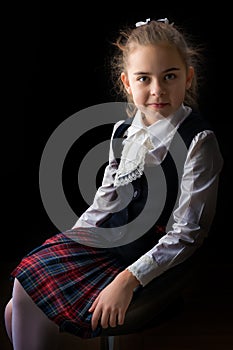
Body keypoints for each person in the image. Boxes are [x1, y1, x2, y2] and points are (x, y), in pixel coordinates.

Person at [4, 17, 223, 349]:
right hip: (112, 242)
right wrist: (75, 244)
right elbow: (107, 198)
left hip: (150, 260)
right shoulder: (123, 132)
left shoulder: (198, 140)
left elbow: (188, 233)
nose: (157, 90)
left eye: (170, 76)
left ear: (187, 77)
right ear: (127, 83)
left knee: (21, 304)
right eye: (143, 79)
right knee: (24, 286)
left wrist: (126, 281)